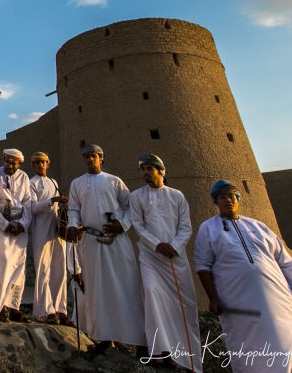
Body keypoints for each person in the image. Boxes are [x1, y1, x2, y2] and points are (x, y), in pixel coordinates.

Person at [194, 180, 292, 373]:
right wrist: (213, 298)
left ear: (238, 199)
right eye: (222, 197)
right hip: (239, 300)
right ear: (215, 202)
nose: (228, 200)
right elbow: (202, 265)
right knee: (254, 346)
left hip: (281, 298)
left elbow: (285, 262)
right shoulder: (208, 228)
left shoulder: (258, 227)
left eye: (231, 196)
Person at [67, 144, 146, 353]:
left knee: (126, 286)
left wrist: (122, 224)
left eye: (93, 156)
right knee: (97, 290)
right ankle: (104, 337)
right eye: (86, 156)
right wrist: (72, 225)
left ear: (101, 158)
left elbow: (129, 207)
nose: (90, 159)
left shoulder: (114, 181)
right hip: (92, 242)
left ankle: (138, 340)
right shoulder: (77, 183)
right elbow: (74, 209)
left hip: (116, 240)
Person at [129, 154, 202, 371]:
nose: (145, 173)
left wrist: (174, 246)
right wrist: (157, 244)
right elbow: (138, 226)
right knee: (152, 293)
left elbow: (185, 227)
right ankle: (159, 350)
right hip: (150, 256)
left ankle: (183, 354)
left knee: (181, 303)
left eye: (149, 169)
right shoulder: (137, 196)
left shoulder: (177, 196)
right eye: (143, 170)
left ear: (160, 171)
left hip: (175, 258)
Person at [28, 151, 73, 326]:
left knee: (59, 269)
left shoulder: (53, 182)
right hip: (41, 228)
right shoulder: (31, 183)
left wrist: (61, 203)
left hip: (56, 227)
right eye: (37, 162)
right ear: (33, 165)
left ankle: (61, 310)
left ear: (48, 163)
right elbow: (33, 208)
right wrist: (50, 200)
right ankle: (48, 311)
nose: (41, 165)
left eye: (43, 162)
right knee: (44, 268)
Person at [0, 149, 33, 323]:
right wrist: (5, 225)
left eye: (13, 164)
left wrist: (22, 224)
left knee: (18, 268)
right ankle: (1, 308)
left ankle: (15, 307)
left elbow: (27, 203)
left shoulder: (24, 177)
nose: (9, 166)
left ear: (19, 164)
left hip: (19, 227)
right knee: (3, 266)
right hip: (1, 227)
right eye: (7, 162)